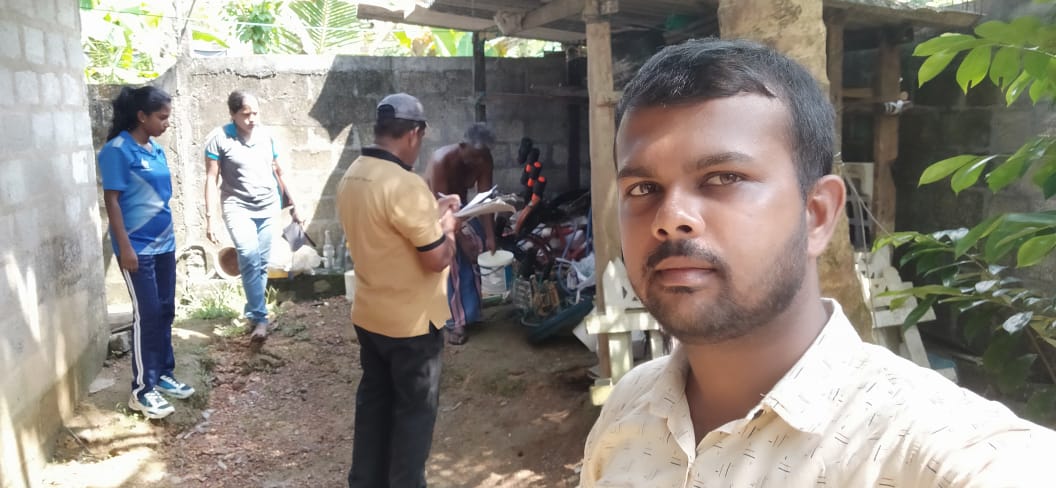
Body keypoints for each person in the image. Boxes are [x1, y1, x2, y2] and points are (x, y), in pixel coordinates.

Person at [580, 39, 1056, 487]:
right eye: (642, 189)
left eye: (723, 177)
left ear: (817, 214)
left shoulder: (930, 448)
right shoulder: (628, 406)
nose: (670, 219)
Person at [337, 93, 460, 488]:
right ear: (414, 134)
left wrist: (432, 211)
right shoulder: (405, 184)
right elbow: (436, 258)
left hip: (370, 317)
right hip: (411, 326)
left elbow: (390, 231)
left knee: (374, 407)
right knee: (412, 417)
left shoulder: (353, 174)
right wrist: (451, 227)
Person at [99, 86, 195, 420]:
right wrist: (124, 247)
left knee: (166, 310)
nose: (167, 123)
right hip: (136, 249)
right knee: (148, 314)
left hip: (164, 243)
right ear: (142, 116)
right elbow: (112, 201)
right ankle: (142, 390)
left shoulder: (154, 150)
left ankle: (163, 372)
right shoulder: (117, 151)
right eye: (162, 117)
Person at [203, 91, 296, 343]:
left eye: (255, 113)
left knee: (261, 262)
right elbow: (212, 178)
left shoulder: (266, 137)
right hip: (237, 207)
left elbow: (279, 171)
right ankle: (261, 317)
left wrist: (294, 204)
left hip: (267, 206)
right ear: (232, 114)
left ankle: (254, 314)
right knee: (247, 254)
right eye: (245, 114)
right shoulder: (219, 139)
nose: (252, 119)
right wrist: (211, 217)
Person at [424, 123, 496, 345]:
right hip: (433, 209)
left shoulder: (483, 159)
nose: (479, 163)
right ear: (462, 146)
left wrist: (490, 236)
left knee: (478, 250)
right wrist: (460, 239)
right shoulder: (441, 161)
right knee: (454, 260)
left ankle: (471, 312)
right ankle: (455, 322)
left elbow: (485, 201)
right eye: (474, 157)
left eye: (482, 157)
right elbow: (441, 207)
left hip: (461, 208)